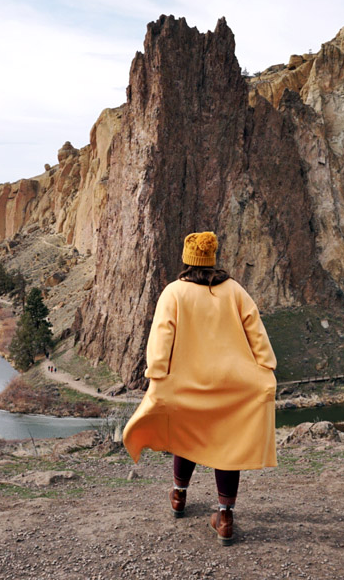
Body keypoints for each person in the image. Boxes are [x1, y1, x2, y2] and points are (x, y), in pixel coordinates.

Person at [123, 231, 277, 546]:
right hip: (233, 387)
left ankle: (179, 496)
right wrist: (266, 369)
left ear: (187, 258)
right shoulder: (235, 290)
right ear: (212, 258)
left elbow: (161, 338)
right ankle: (225, 517)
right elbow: (257, 333)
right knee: (228, 450)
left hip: (188, 386)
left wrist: (157, 374)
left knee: (186, 435)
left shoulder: (173, 293)